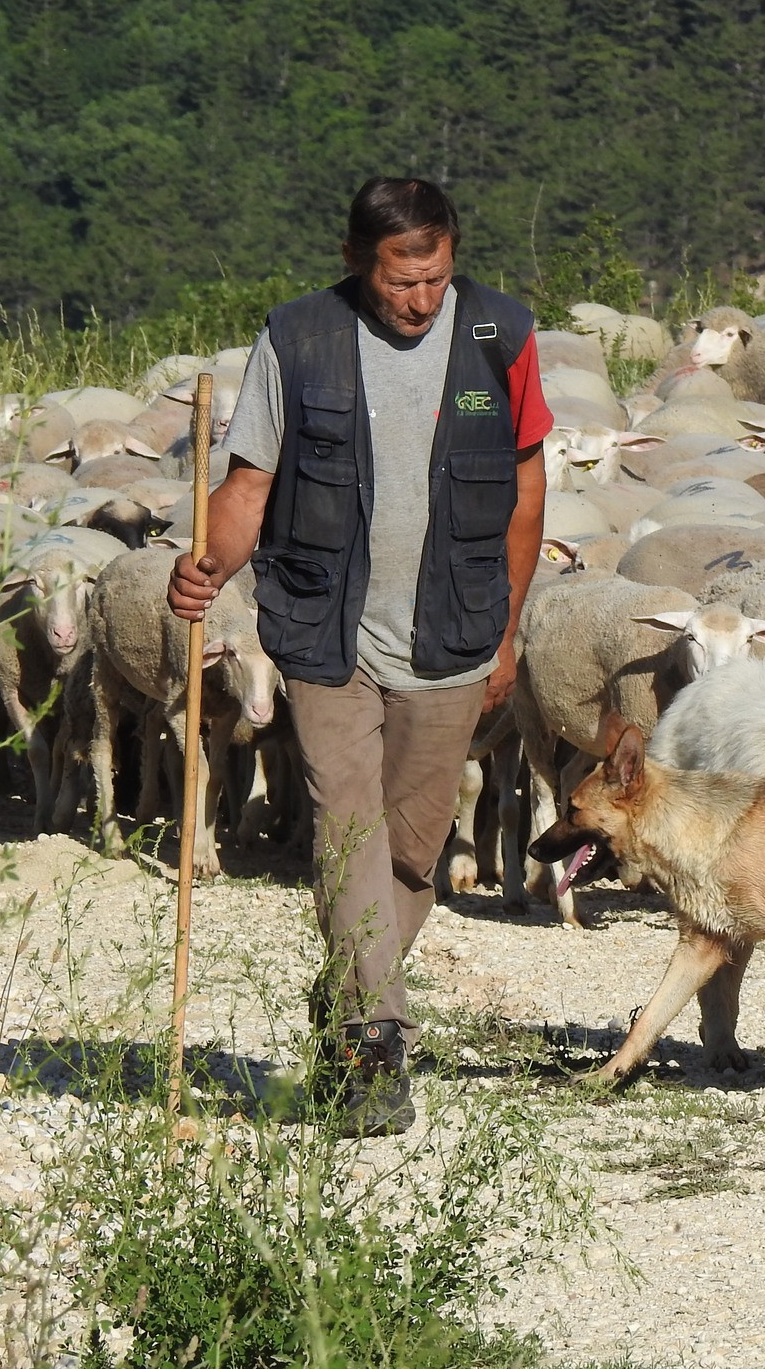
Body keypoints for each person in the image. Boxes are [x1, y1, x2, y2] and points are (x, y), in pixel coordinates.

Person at [168, 176, 550, 1136]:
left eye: (435, 279)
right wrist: (207, 565)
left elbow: (526, 490)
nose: (420, 300)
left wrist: (508, 630)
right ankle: (375, 1046)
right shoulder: (297, 339)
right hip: (324, 630)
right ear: (354, 262)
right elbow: (248, 485)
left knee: (413, 851)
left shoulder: (501, 335)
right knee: (347, 833)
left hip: (453, 632)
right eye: (399, 281)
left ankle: (343, 1001)